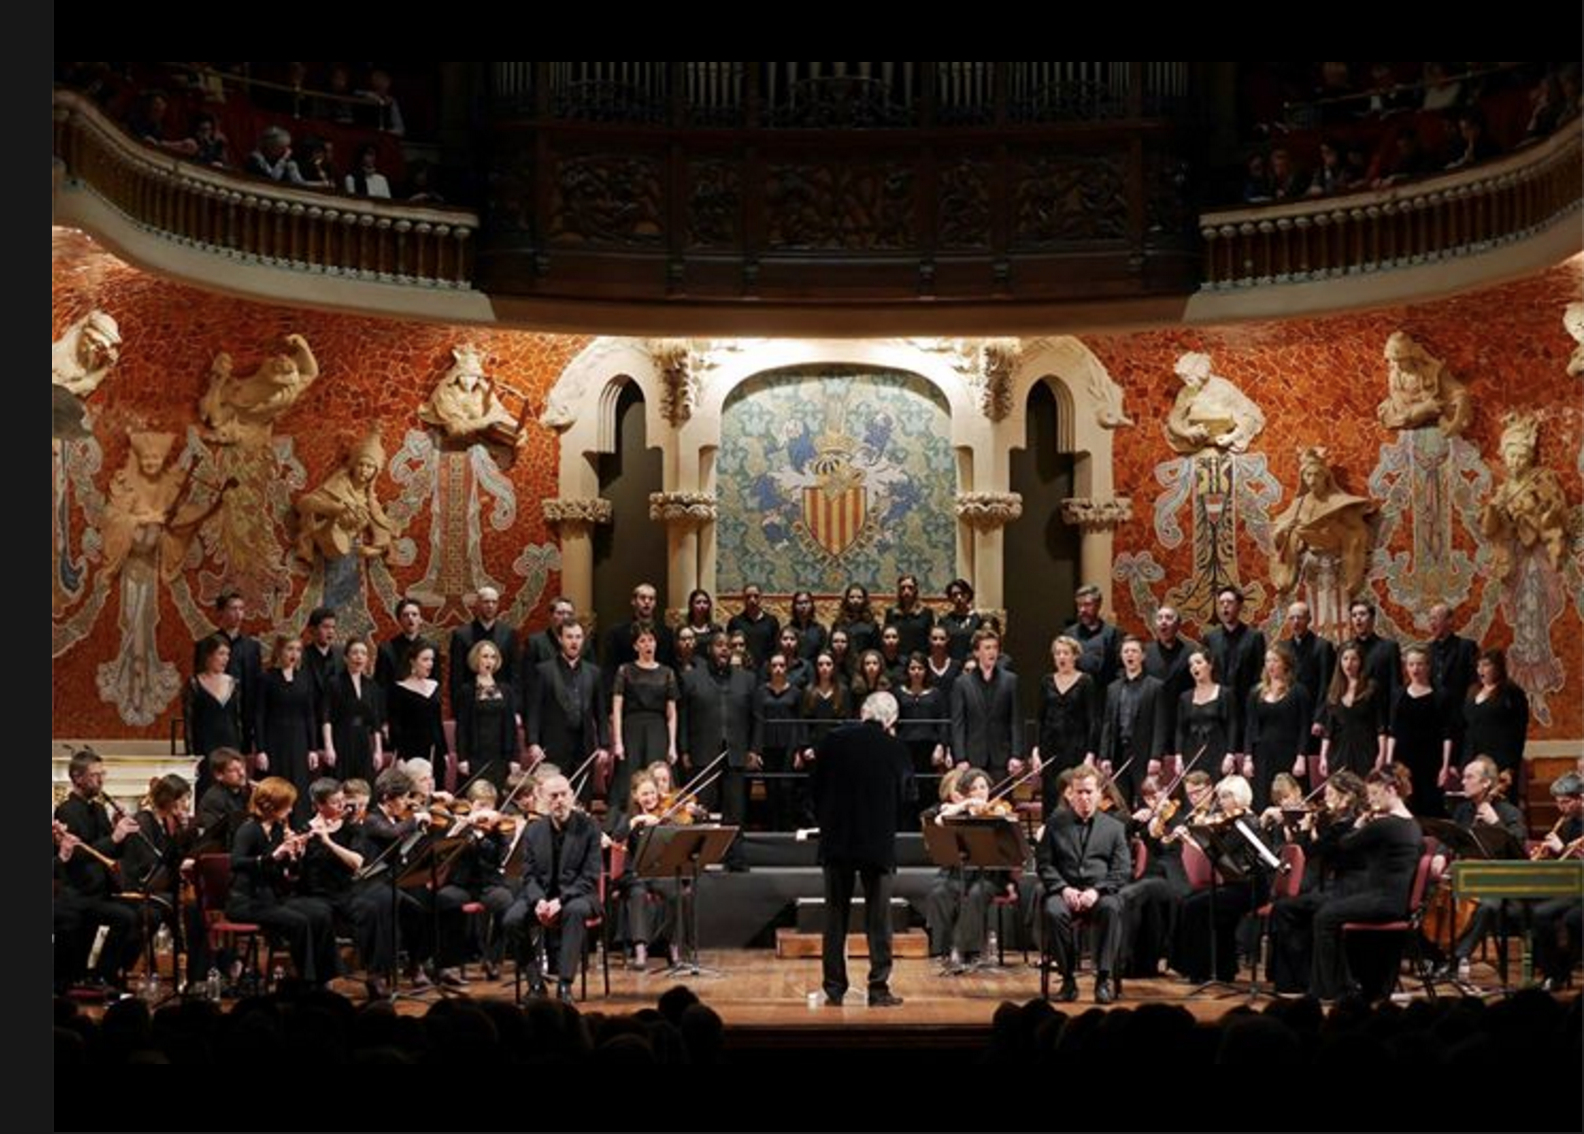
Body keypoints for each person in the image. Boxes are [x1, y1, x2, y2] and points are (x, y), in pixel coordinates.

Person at [810, 692, 913, 1007]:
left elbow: (813, 787)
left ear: (862, 712)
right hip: (877, 843)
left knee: (835, 917)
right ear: (891, 720)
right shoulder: (895, 747)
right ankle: (878, 988)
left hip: (837, 840)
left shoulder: (832, 740)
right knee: (878, 919)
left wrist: (826, 819)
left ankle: (834, 988)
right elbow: (908, 796)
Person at [227, 777, 339, 988]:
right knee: (299, 922)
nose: (290, 811)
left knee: (321, 913)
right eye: (287, 806)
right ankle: (306, 981)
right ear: (272, 806)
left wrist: (295, 856)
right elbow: (236, 863)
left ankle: (326, 977)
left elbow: (286, 874)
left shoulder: (278, 830)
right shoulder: (249, 829)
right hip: (245, 902)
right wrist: (273, 857)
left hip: (271, 897)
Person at [500, 773, 601, 1003]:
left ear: (572, 796)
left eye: (564, 794)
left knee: (574, 912)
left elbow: (589, 876)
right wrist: (539, 901)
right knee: (511, 920)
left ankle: (564, 985)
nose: (559, 800)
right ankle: (535, 982)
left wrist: (560, 901)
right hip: (542, 897)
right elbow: (529, 875)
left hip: (578, 894)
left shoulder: (589, 827)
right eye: (553, 796)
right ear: (544, 800)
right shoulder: (533, 831)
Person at [1036, 765, 1131, 1003]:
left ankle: (1103, 979)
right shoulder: (1055, 824)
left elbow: (1122, 870)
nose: (1084, 797)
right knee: (1053, 911)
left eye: (1089, 792)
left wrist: (1096, 891)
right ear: (1071, 794)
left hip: (1100, 893)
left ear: (1099, 793)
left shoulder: (1115, 828)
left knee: (1111, 908)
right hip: (1064, 890)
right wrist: (1063, 888)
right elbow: (1044, 865)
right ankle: (1068, 979)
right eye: (1079, 792)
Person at [53, 748, 143, 991]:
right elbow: (79, 854)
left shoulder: (100, 809)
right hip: (78, 894)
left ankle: (104, 972)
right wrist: (114, 837)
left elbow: (109, 854)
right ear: (77, 777)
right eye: (95, 775)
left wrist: (123, 836)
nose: (101, 780)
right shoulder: (66, 810)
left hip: (99, 891)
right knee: (125, 918)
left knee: (141, 913)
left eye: (103, 774)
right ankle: (102, 974)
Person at [611, 627, 679, 807]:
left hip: (657, 729)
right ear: (635, 646)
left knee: (657, 776)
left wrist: (672, 745)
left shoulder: (667, 672)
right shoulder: (624, 670)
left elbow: (671, 713)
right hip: (631, 729)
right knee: (629, 776)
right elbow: (617, 708)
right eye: (642, 641)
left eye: (651, 640)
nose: (648, 644)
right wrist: (618, 742)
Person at [253, 634, 319, 820]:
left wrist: (313, 748)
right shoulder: (266, 678)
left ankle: (298, 828)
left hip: (299, 741)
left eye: (298, 650)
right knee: (276, 786)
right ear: (279, 651)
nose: (294, 654)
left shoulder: (304, 678)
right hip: (274, 740)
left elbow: (310, 715)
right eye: (290, 649)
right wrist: (261, 749)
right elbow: (259, 715)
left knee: (298, 784)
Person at [950, 628, 1022, 778]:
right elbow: (958, 723)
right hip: (972, 758)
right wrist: (960, 757)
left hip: (1002, 757)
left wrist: (1016, 755)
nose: (992, 652)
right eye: (987, 648)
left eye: (995, 648)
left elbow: (1016, 721)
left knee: (1002, 801)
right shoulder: (962, 683)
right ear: (976, 653)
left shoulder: (1010, 680)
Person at [457, 639, 520, 793]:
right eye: (485, 656)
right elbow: (462, 727)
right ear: (476, 659)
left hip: (500, 756)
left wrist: (514, 758)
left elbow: (512, 728)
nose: (489, 661)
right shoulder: (467, 690)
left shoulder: (506, 690)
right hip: (476, 755)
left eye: (493, 657)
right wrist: (462, 758)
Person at [1064, 583, 1121, 689]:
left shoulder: (1112, 633)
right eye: (1079, 605)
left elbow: (1119, 670)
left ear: (1098, 604)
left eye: (1087, 605)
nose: (1082, 610)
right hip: (1077, 695)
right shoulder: (1069, 634)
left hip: (1103, 695)